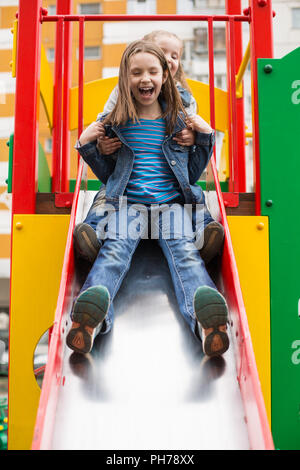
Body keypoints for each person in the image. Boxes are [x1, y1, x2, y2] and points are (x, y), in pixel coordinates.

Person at [66, 40, 229, 359]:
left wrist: (205, 137)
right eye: (136, 72)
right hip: (128, 206)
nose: (145, 78)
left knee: (185, 253)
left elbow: (193, 173)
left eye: (153, 72)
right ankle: (90, 323)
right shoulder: (116, 124)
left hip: (171, 207)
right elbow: (108, 174)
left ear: (165, 77)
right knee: (114, 252)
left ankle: (208, 326)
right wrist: (87, 146)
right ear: (124, 80)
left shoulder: (179, 122)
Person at [73, 30, 224, 266]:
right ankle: (93, 235)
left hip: (169, 184)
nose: (170, 58)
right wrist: (99, 143)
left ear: (165, 72)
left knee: (192, 196)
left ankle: (203, 237)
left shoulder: (183, 97)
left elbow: (193, 120)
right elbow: (107, 119)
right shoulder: (124, 92)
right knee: (108, 192)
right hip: (129, 185)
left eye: (175, 55)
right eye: (163, 52)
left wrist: (195, 137)